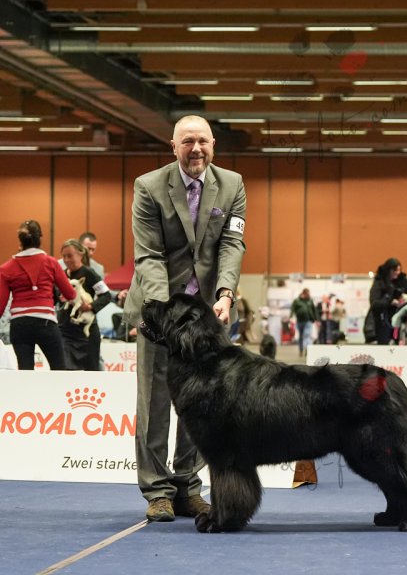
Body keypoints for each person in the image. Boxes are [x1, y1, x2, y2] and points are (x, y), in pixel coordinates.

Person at [123, 114, 247, 523]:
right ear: (173, 146)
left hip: (207, 316)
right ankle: (157, 491)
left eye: (203, 141)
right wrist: (165, 316)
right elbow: (149, 256)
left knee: (202, 404)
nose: (196, 149)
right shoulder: (148, 186)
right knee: (155, 402)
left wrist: (226, 293)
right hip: (160, 314)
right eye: (188, 142)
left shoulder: (232, 184)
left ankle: (188, 487)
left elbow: (232, 243)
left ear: (214, 145)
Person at [0, 220, 76, 370]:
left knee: (26, 371)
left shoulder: (6, 268)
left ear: (20, 241)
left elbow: (1, 305)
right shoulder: (51, 263)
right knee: (59, 368)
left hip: (19, 324)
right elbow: (70, 294)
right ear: (40, 238)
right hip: (45, 322)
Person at [58, 239, 112, 371]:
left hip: (87, 334)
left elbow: (106, 295)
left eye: (70, 256)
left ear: (80, 255)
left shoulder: (90, 273)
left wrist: (90, 307)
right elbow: (56, 297)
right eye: (64, 256)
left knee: (91, 374)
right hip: (65, 333)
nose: (66, 260)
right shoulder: (61, 275)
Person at [367, 258, 407, 344]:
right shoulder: (379, 282)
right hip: (382, 322)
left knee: (396, 341)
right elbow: (374, 303)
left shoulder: (403, 281)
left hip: (398, 322)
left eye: (399, 270)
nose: (397, 272)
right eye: (395, 270)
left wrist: (405, 299)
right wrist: (390, 302)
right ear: (389, 270)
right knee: (384, 344)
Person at [291, 288, 318, 356]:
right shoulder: (297, 301)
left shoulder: (310, 300)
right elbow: (292, 309)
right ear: (303, 293)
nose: (308, 295)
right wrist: (291, 317)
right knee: (300, 337)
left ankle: (307, 349)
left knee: (307, 335)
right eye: (307, 294)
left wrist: (316, 319)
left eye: (309, 294)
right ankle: (301, 350)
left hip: (308, 321)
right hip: (299, 321)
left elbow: (314, 310)